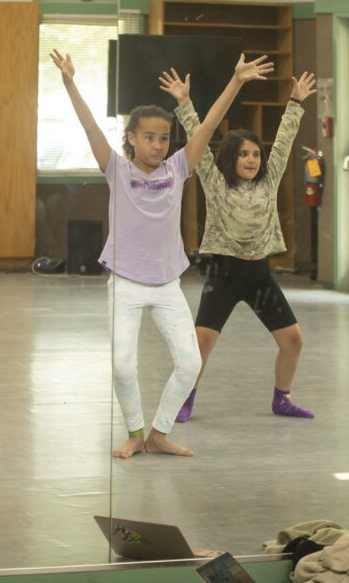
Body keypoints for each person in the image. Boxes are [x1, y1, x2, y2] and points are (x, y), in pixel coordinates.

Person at [50, 49, 273, 459]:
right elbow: (89, 126)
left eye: (164, 138)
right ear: (132, 138)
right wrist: (69, 83)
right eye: (149, 137)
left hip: (167, 285)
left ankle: (158, 434)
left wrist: (236, 81)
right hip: (125, 284)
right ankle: (135, 434)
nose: (157, 145)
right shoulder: (117, 169)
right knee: (122, 366)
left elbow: (209, 124)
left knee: (190, 364)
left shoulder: (177, 168)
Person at [160, 67, 317, 421]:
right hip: (224, 275)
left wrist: (295, 102)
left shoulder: (269, 179)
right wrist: (184, 103)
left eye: (256, 155)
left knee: (293, 340)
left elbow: (284, 140)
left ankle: (282, 399)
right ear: (231, 158)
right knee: (201, 341)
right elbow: (199, 138)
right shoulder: (215, 181)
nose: (252, 160)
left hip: (259, 275)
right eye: (244, 154)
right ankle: (184, 400)